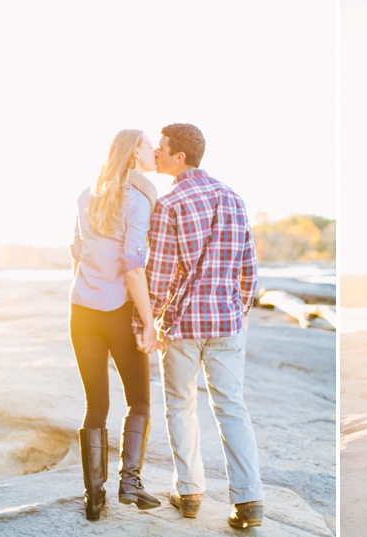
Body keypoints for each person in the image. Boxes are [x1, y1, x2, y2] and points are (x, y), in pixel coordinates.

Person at [134, 123, 264, 529]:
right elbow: (250, 271)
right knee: (232, 409)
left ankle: (189, 493)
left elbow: (157, 275)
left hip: (183, 325)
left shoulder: (170, 204)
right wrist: (237, 312)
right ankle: (249, 502)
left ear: (179, 157)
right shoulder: (233, 197)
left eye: (162, 147)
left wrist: (147, 322)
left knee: (180, 406)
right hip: (226, 323)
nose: (155, 151)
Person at [69, 129, 162, 521]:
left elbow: (76, 250)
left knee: (96, 405)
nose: (152, 150)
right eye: (146, 145)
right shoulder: (137, 201)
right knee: (138, 400)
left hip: (82, 312)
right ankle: (130, 481)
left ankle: (94, 497)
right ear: (131, 155)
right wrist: (149, 321)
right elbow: (134, 267)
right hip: (118, 313)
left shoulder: (85, 196)